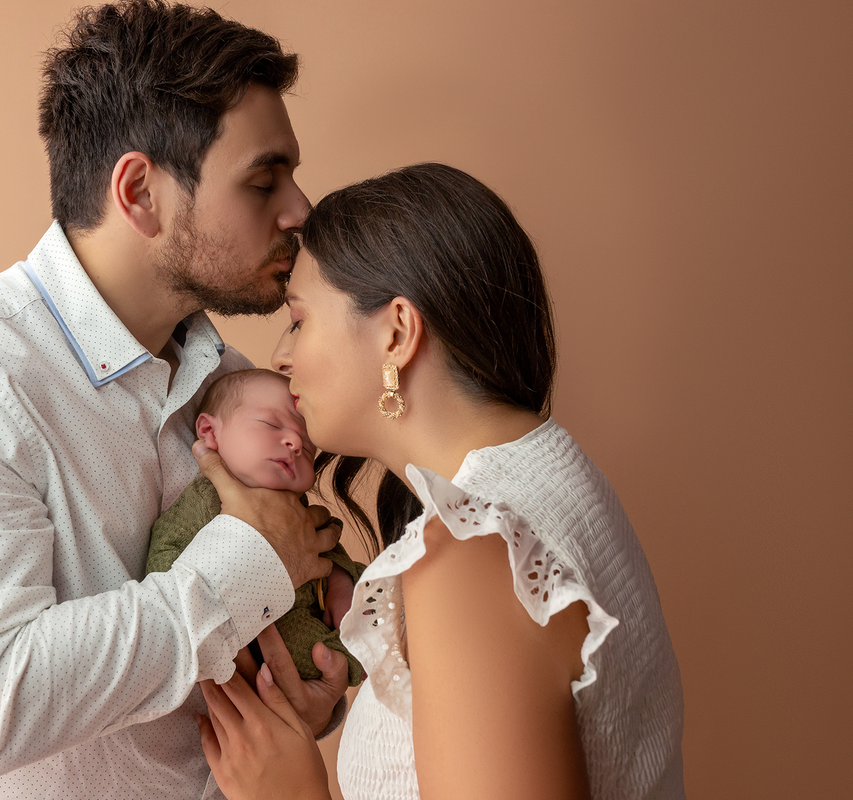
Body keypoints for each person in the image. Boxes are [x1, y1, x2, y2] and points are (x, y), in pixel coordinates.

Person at [0, 3, 351, 798]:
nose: (299, 210)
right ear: (139, 191)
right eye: (263, 179)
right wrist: (246, 566)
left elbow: (241, 646)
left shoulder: (240, 388)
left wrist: (296, 687)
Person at [193, 163, 686, 800]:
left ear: (396, 332)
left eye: (299, 319)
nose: (282, 357)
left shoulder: (472, 555)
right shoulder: (548, 470)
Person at [146, 368, 366, 685]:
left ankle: (355, 656)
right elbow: (165, 548)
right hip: (247, 633)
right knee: (307, 649)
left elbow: (328, 545)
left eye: (307, 447)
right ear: (209, 431)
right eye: (271, 425)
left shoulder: (296, 507)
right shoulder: (206, 499)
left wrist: (341, 581)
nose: (293, 442)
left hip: (306, 613)